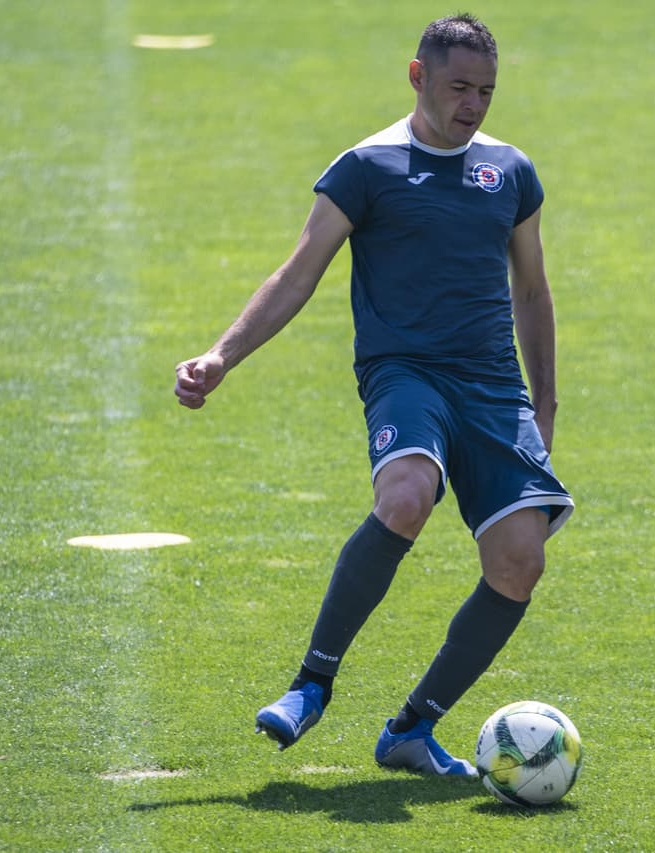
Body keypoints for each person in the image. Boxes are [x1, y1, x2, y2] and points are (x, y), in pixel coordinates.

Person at [173, 13, 573, 777]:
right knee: (406, 495)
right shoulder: (366, 167)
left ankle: (412, 730)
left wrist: (545, 405)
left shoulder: (511, 171)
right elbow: (298, 273)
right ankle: (311, 684)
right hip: (406, 373)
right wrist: (222, 355)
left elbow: (532, 290)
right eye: (459, 87)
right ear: (419, 76)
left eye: (486, 91)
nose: (473, 104)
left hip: (494, 387)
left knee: (520, 562)